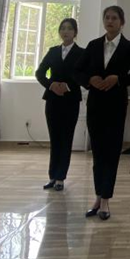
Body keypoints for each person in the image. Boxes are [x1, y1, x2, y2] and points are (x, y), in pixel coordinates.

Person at [75, 6, 130, 220]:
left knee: (111, 153)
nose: (110, 21)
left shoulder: (129, 47)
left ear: (122, 22)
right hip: (95, 106)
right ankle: (98, 196)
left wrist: (118, 79)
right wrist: (89, 80)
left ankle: (105, 200)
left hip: (116, 106)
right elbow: (77, 71)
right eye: (107, 18)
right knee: (98, 153)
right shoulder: (93, 45)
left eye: (114, 18)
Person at [35, 17, 84, 192]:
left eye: (69, 28)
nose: (66, 31)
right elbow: (40, 73)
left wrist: (68, 86)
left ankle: (61, 177)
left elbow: (84, 76)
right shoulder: (53, 51)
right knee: (55, 138)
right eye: (63, 28)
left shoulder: (82, 53)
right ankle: (52, 176)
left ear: (75, 32)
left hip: (70, 100)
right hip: (53, 100)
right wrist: (51, 85)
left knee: (66, 138)